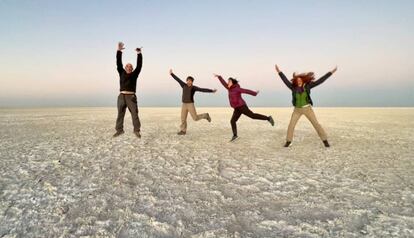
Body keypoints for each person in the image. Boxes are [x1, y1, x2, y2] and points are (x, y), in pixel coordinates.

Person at [274, 64, 338, 147]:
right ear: (296, 81)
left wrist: (331, 72)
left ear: (303, 81)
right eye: (297, 80)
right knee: (291, 125)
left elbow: (320, 81)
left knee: (316, 124)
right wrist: (279, 72)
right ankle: (288, 141)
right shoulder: (293, 88)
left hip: (307, 109)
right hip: (297, 110)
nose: (299, 81)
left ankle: (325, 140)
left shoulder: (308, 87)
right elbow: (285, 80)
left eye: (300, 80)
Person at [214, 74, 274, 142]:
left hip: (242, 106)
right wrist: (219, 77)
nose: (228, 83)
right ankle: (235, 135)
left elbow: (246, 91)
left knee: (252, 116)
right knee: (232, 121)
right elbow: (223, 83)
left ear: (233, 82)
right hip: (237, 108)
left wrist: (254, 93)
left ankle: (268, 118)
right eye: (228, 82)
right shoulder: (229, 88)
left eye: (229, 81)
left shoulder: (237, 88)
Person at [170, 69, 216, 135]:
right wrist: (172, 74)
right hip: (184, 104)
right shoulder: (183, 85)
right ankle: (183, 131)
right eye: (188, 80)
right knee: (183, 118)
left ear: (192, 82)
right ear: (186, 81)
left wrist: (211, 91)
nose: (189, 82)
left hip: (190, 104)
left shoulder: (193, 88)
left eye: (190, 81)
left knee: (195, 118)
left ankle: (206, 115)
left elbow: (202, 89)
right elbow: (178, 80)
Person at [113, 42, 143, 138]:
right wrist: (119, 51)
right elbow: (118, 62)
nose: (129, 67)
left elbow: (139, 65)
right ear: (125, 68)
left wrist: (139, 54)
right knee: (120, 114)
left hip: (131, 96)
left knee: (134, 113)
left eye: (130, 67)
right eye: (127, 66)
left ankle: (136, 130)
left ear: (132, 68)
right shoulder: (121, 72)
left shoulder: (135, 74)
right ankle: (119, 130)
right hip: (121, 96)